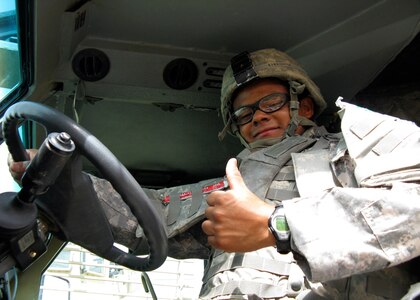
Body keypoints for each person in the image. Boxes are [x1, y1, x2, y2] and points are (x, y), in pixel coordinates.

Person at [8, 49, 420, 299]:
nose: (257, 116)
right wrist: (62, 176)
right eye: (243, 113)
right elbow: (144, 213)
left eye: (271, 102)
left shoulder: (362, 140)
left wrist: (278, 224)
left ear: (304, 106)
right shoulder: (228, 183)